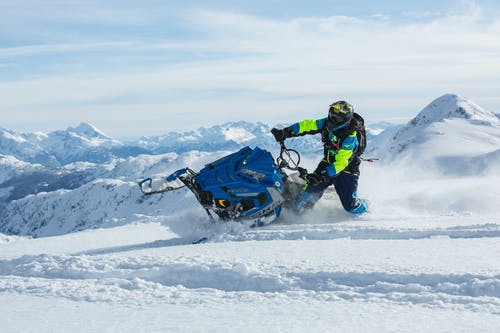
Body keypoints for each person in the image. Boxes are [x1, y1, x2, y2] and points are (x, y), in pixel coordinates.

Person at [271, 100, 368, 214]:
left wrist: (321, 176)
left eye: (338, 118)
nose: (333, 119)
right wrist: (286, 132)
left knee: (351, 207)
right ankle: (309, 206)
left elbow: (341, 163)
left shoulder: (350, 137)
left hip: (347, 171)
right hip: (328, 163)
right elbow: (308, 125)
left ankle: (366, 207)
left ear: (345, 120)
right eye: (332, 115)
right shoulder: (327, 123)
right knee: (303, 201)